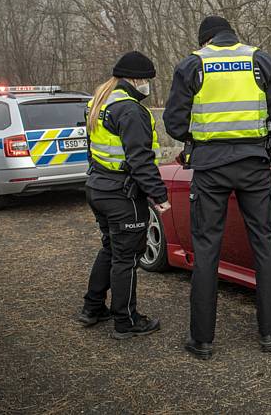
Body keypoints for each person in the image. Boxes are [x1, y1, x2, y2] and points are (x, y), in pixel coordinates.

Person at [163, 15, 271, 360]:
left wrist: (201, 137)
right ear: (233, 35)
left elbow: (174, 123)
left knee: (206, 250)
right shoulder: (260, 60)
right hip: (254, 165)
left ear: (205, 40)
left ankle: (202, 340)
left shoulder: (193, 64)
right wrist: (258, 132)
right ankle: (269, 332)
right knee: (263, 244)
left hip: (209, 167)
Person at [77, 51, 171, 340]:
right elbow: (140, 159)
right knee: (126, 258)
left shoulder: (99, 101)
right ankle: (126, 320)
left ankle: (92, 308)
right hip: (122, 195)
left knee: (110, 248)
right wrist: (159, 196)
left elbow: (95, 150)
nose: (148, 84)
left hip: (98, 187)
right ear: (134, 78)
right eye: (146, 79)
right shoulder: (130, 110)